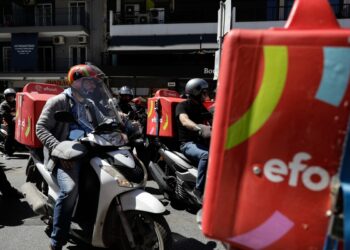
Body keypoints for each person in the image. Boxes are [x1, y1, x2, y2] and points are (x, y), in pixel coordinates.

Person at [36, 63, 107, 250]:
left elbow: (103, 121)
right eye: (89, 83)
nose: (93, 87)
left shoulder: (89, 103)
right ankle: (57, 239)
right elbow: (40, 128)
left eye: (93, 83)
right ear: (77, 82)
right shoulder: (57, 101)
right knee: (70, 190)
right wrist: (59, 150)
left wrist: (122, 122)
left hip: (89, 149)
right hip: (65, 155)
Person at [175, 78, 212, 204]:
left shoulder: (202, 108)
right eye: (203, 92)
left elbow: (214, 120)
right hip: (187, 144)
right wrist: (198, 128)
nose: (206, 95)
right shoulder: (182, 106)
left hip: (201, 143)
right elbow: (184, 120)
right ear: (195, 92)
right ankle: (199, 190)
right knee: (207, 155)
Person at [0, 88, 17, 159]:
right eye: (8, 96)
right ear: (5, 97)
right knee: (10, 136)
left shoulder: (16, 102)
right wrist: (12, 118)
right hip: (8, 122)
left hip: (17, 122)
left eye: (12, 95)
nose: (10, 97)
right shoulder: (3, 104)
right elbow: (3, 114)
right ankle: (6, 153)